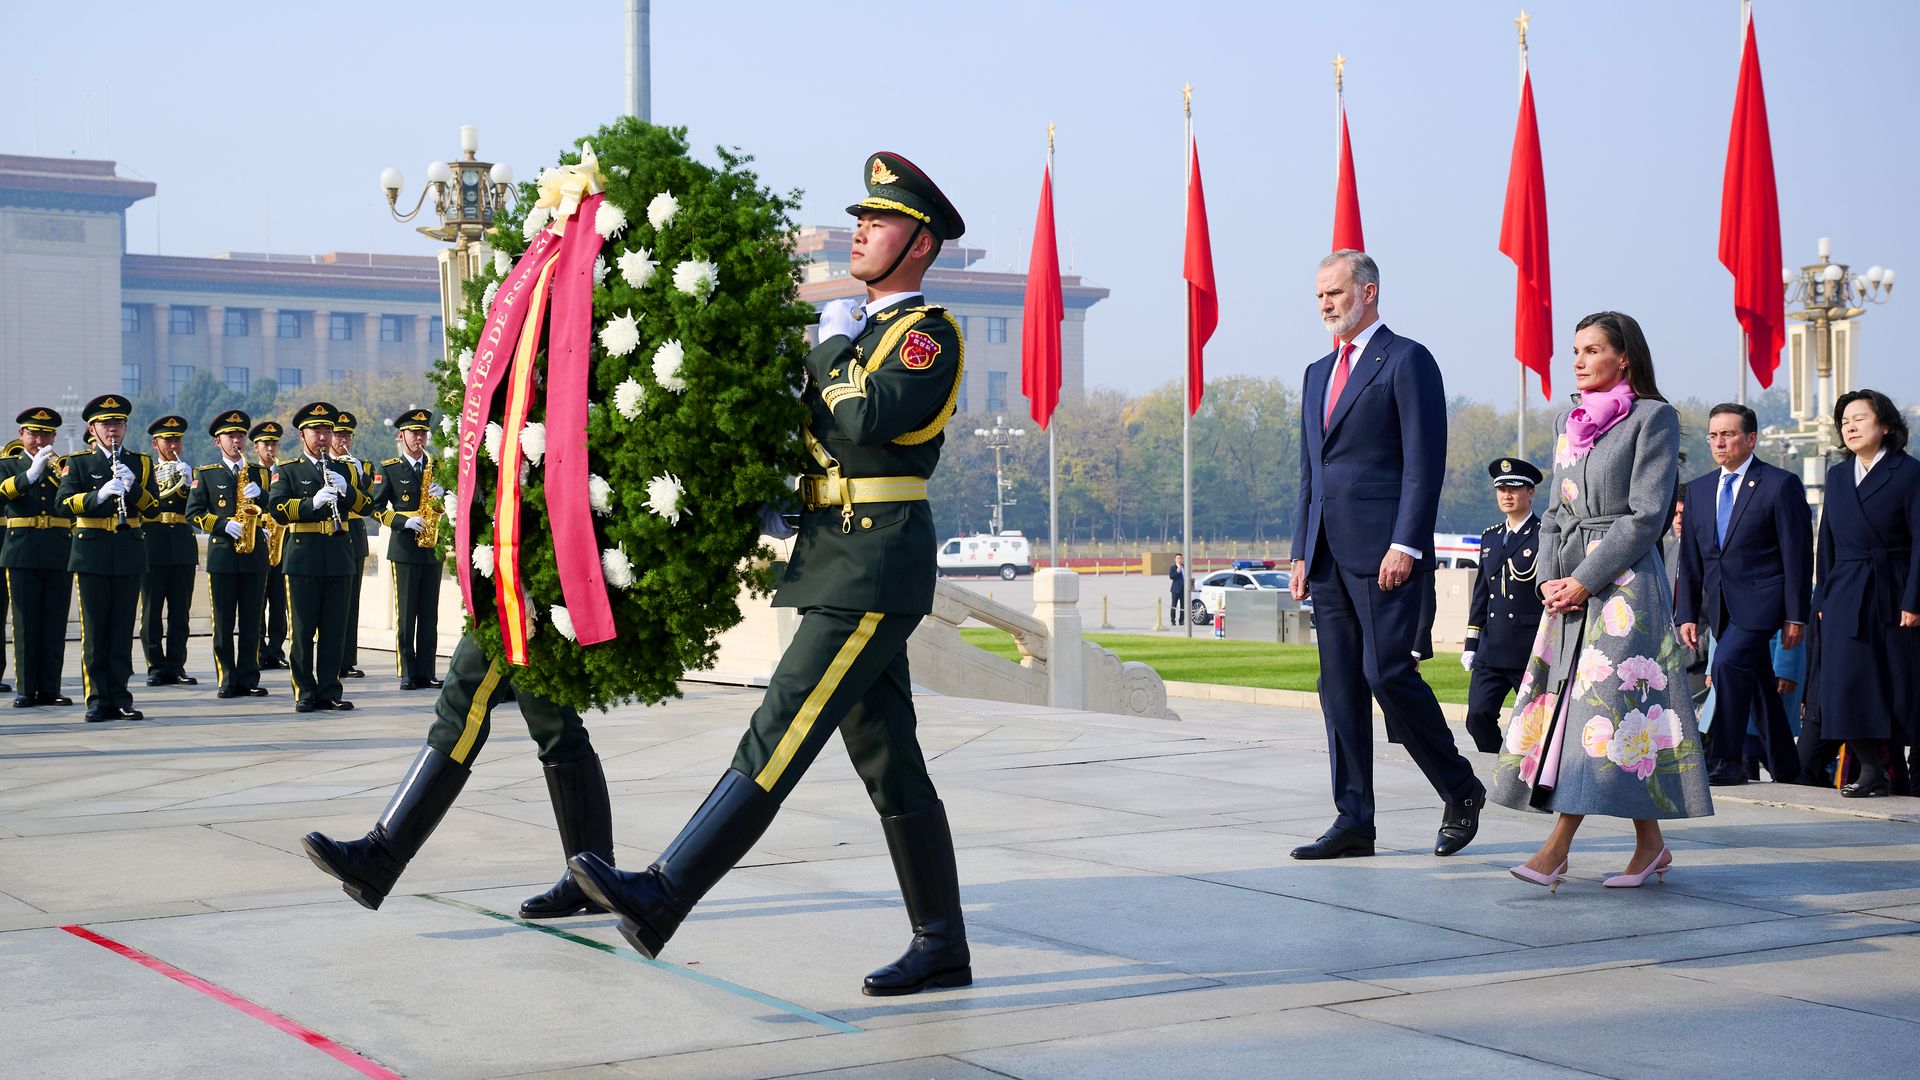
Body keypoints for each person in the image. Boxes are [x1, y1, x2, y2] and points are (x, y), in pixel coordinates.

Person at [569, 152, 974, 996]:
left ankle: (667, 890)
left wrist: (827, 353)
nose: (862, 230)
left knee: (781, 727)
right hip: (836, 551)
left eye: (882, 220)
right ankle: (942, 944)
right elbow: (824, 437)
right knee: (889, 759)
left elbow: (868, 416)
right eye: (860, 217)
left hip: (873, 562)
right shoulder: (858, 335)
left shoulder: (925, 335)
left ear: (922, 246)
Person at [1495, 311, 1712, 891]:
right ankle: (1650, 847)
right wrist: (1547, 577)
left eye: (1592, 350)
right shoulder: (1571, 421)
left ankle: (1555, 849)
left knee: (1597, 713)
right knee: (1604, 715)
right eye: (1575, 350)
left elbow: (1646, 517)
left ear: (1626, 359)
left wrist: (1586, 579)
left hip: (1624, 591)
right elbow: (1556, 514)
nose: (1579, 360)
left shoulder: (1654, 418)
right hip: (1566, 590)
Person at [1285, 249, 1483, 861]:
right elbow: (1309, 472)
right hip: (1324, 553)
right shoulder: (1318, 372)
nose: (1325, 303)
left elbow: (1425, 463)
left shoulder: (1406, 360)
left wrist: (1406, 541)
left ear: (1368, 292)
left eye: (1335, 292)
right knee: (1338, 686)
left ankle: (1460, 787)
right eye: (1319, 294)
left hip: (1384, 550)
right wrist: (1298, 548)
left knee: (1385, 672)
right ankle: (1353, 820)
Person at [1675, 403, 1811, 786]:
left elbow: (1797, 556)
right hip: (1720, 605)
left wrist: (1796, 616)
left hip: (1764, 599)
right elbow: (1691, 558)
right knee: (1758, 682)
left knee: (1727, 665)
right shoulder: (1700, 490)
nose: (1720, 442)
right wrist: (1686, 613)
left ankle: (1727, 759)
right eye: (1713, 435)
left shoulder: (1779, 484)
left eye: (1729, 434)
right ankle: (1786, 765)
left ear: (1751, 438)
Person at [1811, 388, 1920, 798]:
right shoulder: (1838, 475)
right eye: (1844, 421)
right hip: (1845, 590)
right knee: (1845, 681)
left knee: (1897, 682)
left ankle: (1904, 769)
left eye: (1860, 418)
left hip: (1893, 587)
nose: (1850, 427)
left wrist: (1914, 598)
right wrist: (1823, 598)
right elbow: (1829, 539)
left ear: (1886, 425)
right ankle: (1871, 769)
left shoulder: (1909, 473)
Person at [58, 394, 160, 722]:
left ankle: (121, 696)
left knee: (120, 630)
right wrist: (97, 496)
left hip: (129, 551)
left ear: (126, 426)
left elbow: (155, 510)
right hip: (91, 553)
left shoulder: (140, 463)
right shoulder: (78, 463)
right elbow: (62, 505)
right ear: (93, 428)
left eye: (117, 423)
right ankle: (97, 697)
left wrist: (133, 488)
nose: (112, 429)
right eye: (106, 424)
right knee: (95, 630)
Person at [269, 402, 364, 713]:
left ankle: (329, 689)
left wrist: (348, 490)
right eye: (316, 431)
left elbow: (366, 506)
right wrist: (311, 502)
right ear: (302, 434)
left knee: (334, 629)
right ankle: (304, 691)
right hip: (303, 557)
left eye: (327, 430)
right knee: (303, 629)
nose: (323, 437)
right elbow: (278, 509)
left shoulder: (345, 468)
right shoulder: (287, 469)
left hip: (339, 556)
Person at [1460, 458, 1545, 754]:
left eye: (1514, 488)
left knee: (1535, 725)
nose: (1506, 495)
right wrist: (1471, 643)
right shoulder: (1490, 537)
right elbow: (1481, 595)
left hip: (1528, 647)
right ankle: (1499, 763)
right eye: (1501, 489)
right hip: (1492, 647)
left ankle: (1523, 774)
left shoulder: (1544, 534)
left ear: (1530, 492)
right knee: (1477, 716)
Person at [187, 409, 272, 699]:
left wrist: (262, 496)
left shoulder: (261, 473)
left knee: (252, 620)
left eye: (240, 436)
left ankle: (249, 676)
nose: (237, 441)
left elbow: (276, 509)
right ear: (217, 442)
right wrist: (223, 525)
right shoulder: (207, 475)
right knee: (223, 622)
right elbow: (194, 514)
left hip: (255, 555)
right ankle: (226, 677)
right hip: (223, 555)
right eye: (230, 436)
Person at [0, 407, 75, 709]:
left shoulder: (64, 467)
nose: (40, 439)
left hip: (58, 550)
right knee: (25, 623)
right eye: (34, 433)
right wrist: (29, 475)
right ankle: (27, 688)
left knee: (55, 623)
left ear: (54, 436)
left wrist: (60, 474)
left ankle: (50, 688)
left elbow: (71, 502)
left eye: (46, 434)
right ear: (21, 434)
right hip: (22, 551)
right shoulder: (8, 465)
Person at [368, 409, 445, 690]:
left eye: (423, 432)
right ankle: (407, 671)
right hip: (404, 548)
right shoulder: (389, 467)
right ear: (401, 436)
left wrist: (445, 495)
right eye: (414, 433)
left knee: (429, 613)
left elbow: (452, 502)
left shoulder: (437, 465)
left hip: (432, 546)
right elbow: (375, 509)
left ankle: (428, 671)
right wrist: (402, 521)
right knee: (406, 614)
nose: (420, 437)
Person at [140, 414, 199, 687]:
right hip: (153, 543)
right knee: (152, 611)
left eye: (177, 439)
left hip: (182, 546)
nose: (173, 444)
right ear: (156, 443)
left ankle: (176, 665)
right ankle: (155, 665)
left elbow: (197, 511)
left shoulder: (190, 472)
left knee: (180, 612)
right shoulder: (147, 472)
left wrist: (189, 486)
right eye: (168, 439)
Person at [331, 409, 374, 681]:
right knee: (333, 604)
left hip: (355, 535)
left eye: (348, 435)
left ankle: (348, 660)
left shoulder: (364, 466)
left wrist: (360, 475)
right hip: (333, 534)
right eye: (339, 434)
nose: (344, 440)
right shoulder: (325, 464)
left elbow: (371, 499)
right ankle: (331, 659)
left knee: (351, 604)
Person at [251, 421, 291, 670]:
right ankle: (258, 649)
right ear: (256, 447)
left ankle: (276, 650)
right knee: (256, 599)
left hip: (281, 538)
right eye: (266, 444)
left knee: (279, 601)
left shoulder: (284, 470)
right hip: (257, 538)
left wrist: (264, 496)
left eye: (275, 443)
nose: (271, 448)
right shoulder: (249, 471)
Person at [1169, 553, 1186, 626]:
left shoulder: (1184, 567)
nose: (1180, 560)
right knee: (1174, 605)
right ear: (1175, 559)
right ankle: (1173, 620)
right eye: (1178, 558)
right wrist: (1177, 571)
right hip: (1175, 590)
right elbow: (1171, 577)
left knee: (1183, 606)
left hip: (1183, 589)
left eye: (1181, 558)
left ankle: (1181, 620)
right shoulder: (1173, 567)